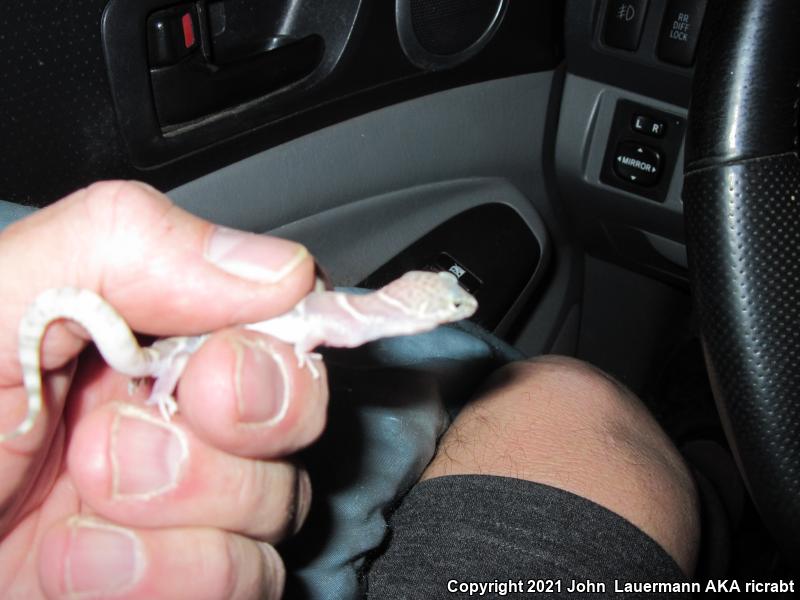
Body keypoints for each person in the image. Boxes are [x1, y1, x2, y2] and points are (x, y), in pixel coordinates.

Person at [0, 181, 699, 599]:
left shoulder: (366, 318)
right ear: (409, 304)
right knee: (572, 403)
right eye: (447, 306)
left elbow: (314, 330)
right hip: (179, 358)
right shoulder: (361, 320)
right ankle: (711, 478)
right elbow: (308, 330)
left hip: (187, 370)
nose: (458, 311)